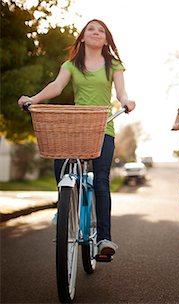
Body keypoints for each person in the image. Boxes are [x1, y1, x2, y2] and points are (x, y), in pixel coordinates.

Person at [18, 19, 136, 259]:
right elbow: (57, 86)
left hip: (103, 127)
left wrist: (125, 101)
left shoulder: (113, 64)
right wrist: (34, 99)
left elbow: (121, 91)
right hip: (77, 126)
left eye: (101, 30)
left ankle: (104, 238)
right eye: (91, 29)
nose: (95, 32)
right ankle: (64, 206)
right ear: (82, 37)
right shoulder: (72, 65)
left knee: (101, 180)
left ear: (106, 38)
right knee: (60, 162)